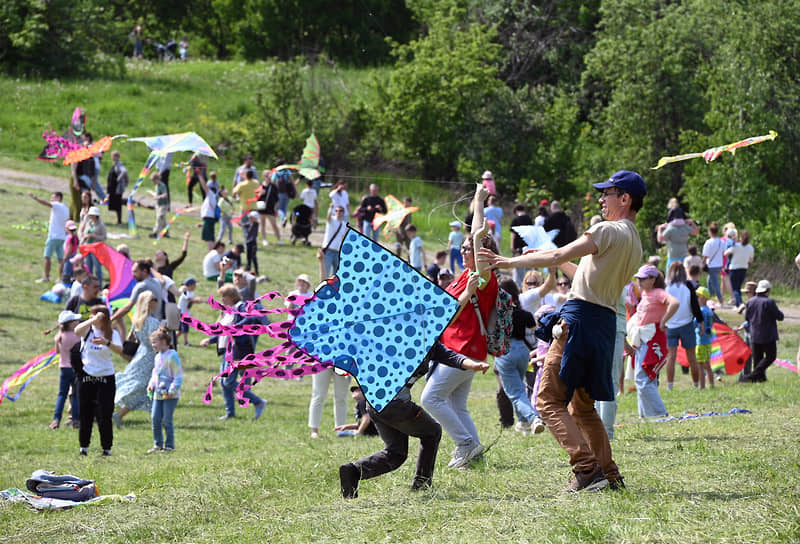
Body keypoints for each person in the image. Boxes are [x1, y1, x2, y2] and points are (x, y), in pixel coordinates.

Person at [479, 170, 647, 492]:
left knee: (546, 400)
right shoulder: (634, 241)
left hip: (579, 320)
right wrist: (546, 264)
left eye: (607, 193)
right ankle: (609, 475)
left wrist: (506, 261)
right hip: (602, 324)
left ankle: (586, 470)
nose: (601, 199)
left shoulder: (606, 229)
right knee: (582, 408)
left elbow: (559, 253)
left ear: (624, 199)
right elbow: (581, 272)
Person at [338, 341, 489, 498]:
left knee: (396, 453)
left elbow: (452, 357)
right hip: (395, 405)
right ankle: (422, 484)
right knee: (432, 432)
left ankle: (353, 470)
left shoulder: (428, 341)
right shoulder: (393, 338)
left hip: (374, 405)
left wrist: (474, 365)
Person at [421, 184, 496, 470]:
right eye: (463, 248)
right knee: (456, 404)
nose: (465, 250)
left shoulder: (482, 275)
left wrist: (479, 201)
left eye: (470, 248)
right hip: (458, 349)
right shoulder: (463, 276)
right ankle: (474, 453)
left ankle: (466, 444)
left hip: (462, 349)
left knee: (431, 398)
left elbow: (478, 233)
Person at [200, 284, 267, 420]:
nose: (222, 299)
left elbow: (251, 318)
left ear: (231, 296)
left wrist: (236, 327)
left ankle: (258, 401)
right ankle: (230, 413)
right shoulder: (228, 312)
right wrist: (211, 340)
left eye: (224, 296)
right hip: (227, 351)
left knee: (229, 382)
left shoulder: (241, 307)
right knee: (224, 383)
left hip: (237, 350)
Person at [628, 265, 678, 418]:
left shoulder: (658, 293)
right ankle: (645, 415)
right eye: (638, 279)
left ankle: (659, 414)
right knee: (642, 378)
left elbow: (674, 303)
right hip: (642, 339)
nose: (639, 281)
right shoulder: (645, 294)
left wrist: (663, 321)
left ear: (653, 279)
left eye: (643, 279)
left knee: (642, 378)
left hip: (653, 339)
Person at [494, 279, 542, 435]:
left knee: (515, 393)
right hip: (522, 351)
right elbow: (536, 331)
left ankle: (533, 418)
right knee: (520, 388)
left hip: (505, 351)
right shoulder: (524, 313)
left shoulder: (497, 313)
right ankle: (523, 423)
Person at [75, 305, 123, 456]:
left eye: (95, 316)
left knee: (105, 413)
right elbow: (77, 331)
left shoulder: (112, 333)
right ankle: (84, 447)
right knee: (85, 413)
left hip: (106, 377)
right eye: (91, 316)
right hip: (87, 375)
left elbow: (120, 350)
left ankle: (106, 448)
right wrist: (93, 320)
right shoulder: (87, 331)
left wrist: (106, 343)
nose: (91, 318)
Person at [113, 291, 160, 427]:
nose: (157, 301)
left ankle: (120, 415)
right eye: (154, 299)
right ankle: (157, 418)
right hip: (151, 356)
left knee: (145, 388)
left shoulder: (137, 320)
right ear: (148, 303)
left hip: (141, 354)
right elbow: (154, 341)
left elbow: (133, 337)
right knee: (144, 386)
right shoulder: (153, 322)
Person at [663, 261, 702, 390]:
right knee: (692, 357)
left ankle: (670, 386)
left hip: (670, 326)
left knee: (671, 357)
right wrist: (701, 322)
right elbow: (695, 307)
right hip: (686, 324)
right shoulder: (688, 286)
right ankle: (696, 385)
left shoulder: (666, 288)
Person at [146, 327, 183, 453]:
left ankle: (169, 445)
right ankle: (157, 444)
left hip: (170, 394)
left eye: (155, 342)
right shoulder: (157, 357)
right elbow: (154, 373)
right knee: (155, 418)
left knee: (167, 419)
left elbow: (178, 375)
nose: (153, 345)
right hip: (158, 393)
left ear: (163, 342)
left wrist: (172, 390)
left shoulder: (172, 355)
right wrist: (151, 384)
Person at [741, 280, 784, 382]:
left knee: (757, 358)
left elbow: (747, 318)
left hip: (754, 333)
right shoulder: (769, 302)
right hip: (768, 334)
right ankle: (754, 375)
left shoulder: (750, 301)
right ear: (767, 290)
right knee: (771, 356)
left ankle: (760, 379)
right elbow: (780, 316)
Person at [50, 310, 82, 430]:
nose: (78, 322)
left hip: (64, 369)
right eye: (76, 321)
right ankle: (76, 420)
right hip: (76, 369)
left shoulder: (59, 336)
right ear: (71, 324)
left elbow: (58, 352)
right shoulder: (77, 336)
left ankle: (56, 419)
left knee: (62, 394)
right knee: (76, 395)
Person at [30, 191, 70, 283]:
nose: (51, 199)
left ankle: (46, 277)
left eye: (53, 197)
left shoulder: (57, 205)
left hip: (53, 236)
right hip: (61, 236)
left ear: (59, 198)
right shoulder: (65, 208)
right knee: (61, 259)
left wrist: (35, 197)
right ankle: (61, 278)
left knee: (47, 257)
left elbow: (46, 203)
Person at [725, 230, 754, 311]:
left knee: (735, 288)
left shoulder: (736, 246)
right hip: (744, 268)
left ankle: (740, 303)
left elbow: (725, 253)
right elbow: (751, 260)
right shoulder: (750, 247)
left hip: (734, 268)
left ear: (740, 237)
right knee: (738, 287)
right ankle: (738, 305)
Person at [78, 206, 107, 286]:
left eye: (92, 215)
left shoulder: (101, 225)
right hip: (87, 247)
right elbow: (83, 232)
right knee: (88, 268)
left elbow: (104, 237)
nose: (91, 216)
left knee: (97, 268)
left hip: (96, 249)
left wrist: (94, 236)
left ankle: (99, 286)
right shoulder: (89, 223)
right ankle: (90, 285)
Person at [694, 287, 716, 389]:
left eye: (697, 296)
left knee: (700, 365)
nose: (696, 298)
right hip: (708, 341)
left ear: (703, 298)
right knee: (707, 364)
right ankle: (711, 384)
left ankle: (702, 387)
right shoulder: (709, 311)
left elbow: (695, 324)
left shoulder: (701, 311)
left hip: (700, 341)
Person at [318, 204, 347, 278]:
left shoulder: (344, 225)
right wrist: (330, 208)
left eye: (340, 211)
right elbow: (328, 217)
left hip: (337, 252)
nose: (338, 212)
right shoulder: (332, 220)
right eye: (336, 211)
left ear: (343, 213)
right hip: (328, 251)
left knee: (336, 276)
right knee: (325, 273)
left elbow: (343, 238)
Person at [509, 204, 534, 287]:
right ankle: (528, 284)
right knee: (528, 267)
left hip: (518, 248)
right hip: (528, 246)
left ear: (516, 211)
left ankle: (518, 286)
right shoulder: (529, 219)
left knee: (518, 268)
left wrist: (512, 247)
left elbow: (513, 235)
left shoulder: (515, 220)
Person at [702, 221, 726, 305]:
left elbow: (705, 255)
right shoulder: (721, 242)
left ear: (710, 232)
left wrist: (702, 264)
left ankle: (720, 300)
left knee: (715, 283)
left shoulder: (708, 242)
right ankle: (709, 297)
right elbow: (723, 252)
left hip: (711, 265)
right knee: (709, 281)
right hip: (719, 264)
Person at [256, 169, 281, 245]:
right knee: (262, 223)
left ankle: (279, 239)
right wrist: (260, 194)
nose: (269, 177)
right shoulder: (260, 186)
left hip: (270, 207)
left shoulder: (273, 186)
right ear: (263, 177)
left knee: (274, 224)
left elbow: (277, 198)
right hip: (261, 207)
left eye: (270, 175)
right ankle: (264, 239)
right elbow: (255, 197)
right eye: (267, 175)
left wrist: (276, 207)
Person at [177, 277, 204, 346]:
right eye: (194, 285)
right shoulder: (185, 292)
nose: (195, 286)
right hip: (181, 312)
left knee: (180, 329)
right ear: (190, 285)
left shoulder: (191, 293)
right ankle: (185, 342)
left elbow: (192, 301)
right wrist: (197, 300)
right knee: (185, 328)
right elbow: (190, 299)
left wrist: (198, 301)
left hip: (185, 312)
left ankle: (173, 339)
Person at [106, 150, 128, 224]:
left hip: (117, 189)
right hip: (113, 188)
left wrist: (118, 179)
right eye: (113, 156)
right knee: (114, 203)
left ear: (118, 157)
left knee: (118, 204)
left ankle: (119, 220)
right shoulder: (114, 165)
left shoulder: (119, 165)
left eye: (115, 156)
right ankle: (118, 220)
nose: (113, 157)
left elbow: (124, 171)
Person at [272, 162, 295, 227]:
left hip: (278, 192)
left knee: (278, 208)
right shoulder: (288, 171)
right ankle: (283, 221)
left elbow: (273, 182)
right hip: (287, 192)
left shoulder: (276, 172)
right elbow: (292, 182)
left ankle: (283, 218)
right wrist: (296, 191)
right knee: (284, 208)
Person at [147, 172, 170, 238]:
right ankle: (166, 233)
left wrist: (158, 197)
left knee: (159, 218)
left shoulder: (162, 185)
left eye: (153, 181)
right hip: (158, 205)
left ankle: (155, 233)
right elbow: (156, 195)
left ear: (157, 179)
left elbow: (165, 195)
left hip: (164, 205)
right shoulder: (156, 186)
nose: (153, 182)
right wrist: (151, 192)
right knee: (162, 219)